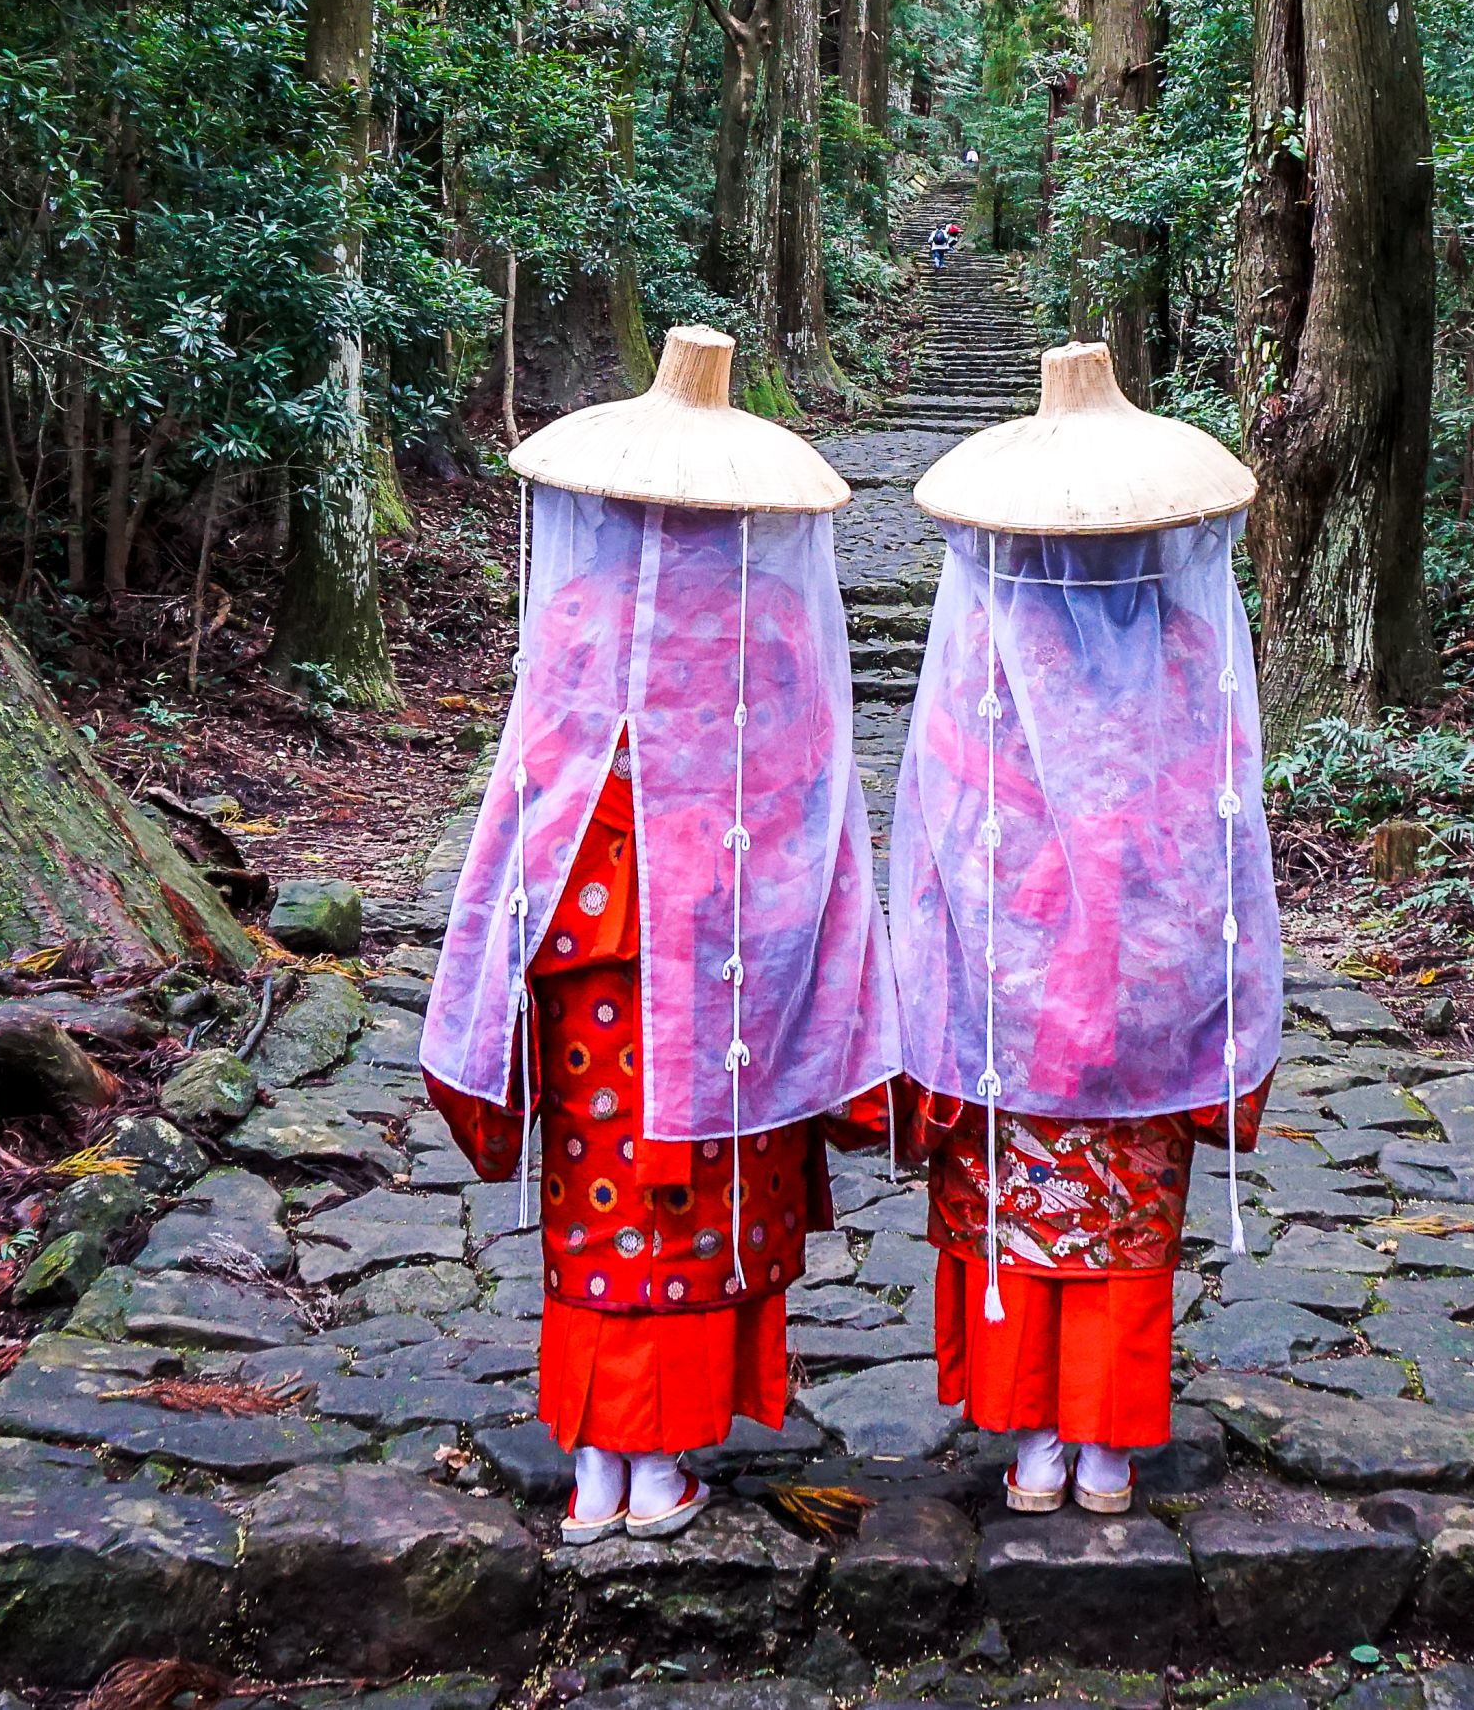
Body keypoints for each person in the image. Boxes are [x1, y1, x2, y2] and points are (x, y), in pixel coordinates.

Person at [419, 328, 896, 1542]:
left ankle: (599, 1467)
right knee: (702, 1193)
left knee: (604, 1190)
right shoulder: (775, 621)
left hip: (588, 953)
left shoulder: (575, 609)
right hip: (734, 954)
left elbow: (538, 781)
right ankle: (662, 1452)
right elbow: (806, 804)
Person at [884, 343, 1277, 1515]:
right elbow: (1223, 800)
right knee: (1124, 1206)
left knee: (1019, 1199)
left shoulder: (991, 641)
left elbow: (948, 807)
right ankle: (1104, 1447)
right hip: (1151, 971)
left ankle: (1037, 1448)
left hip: (1011, 970)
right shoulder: (1191, 641)